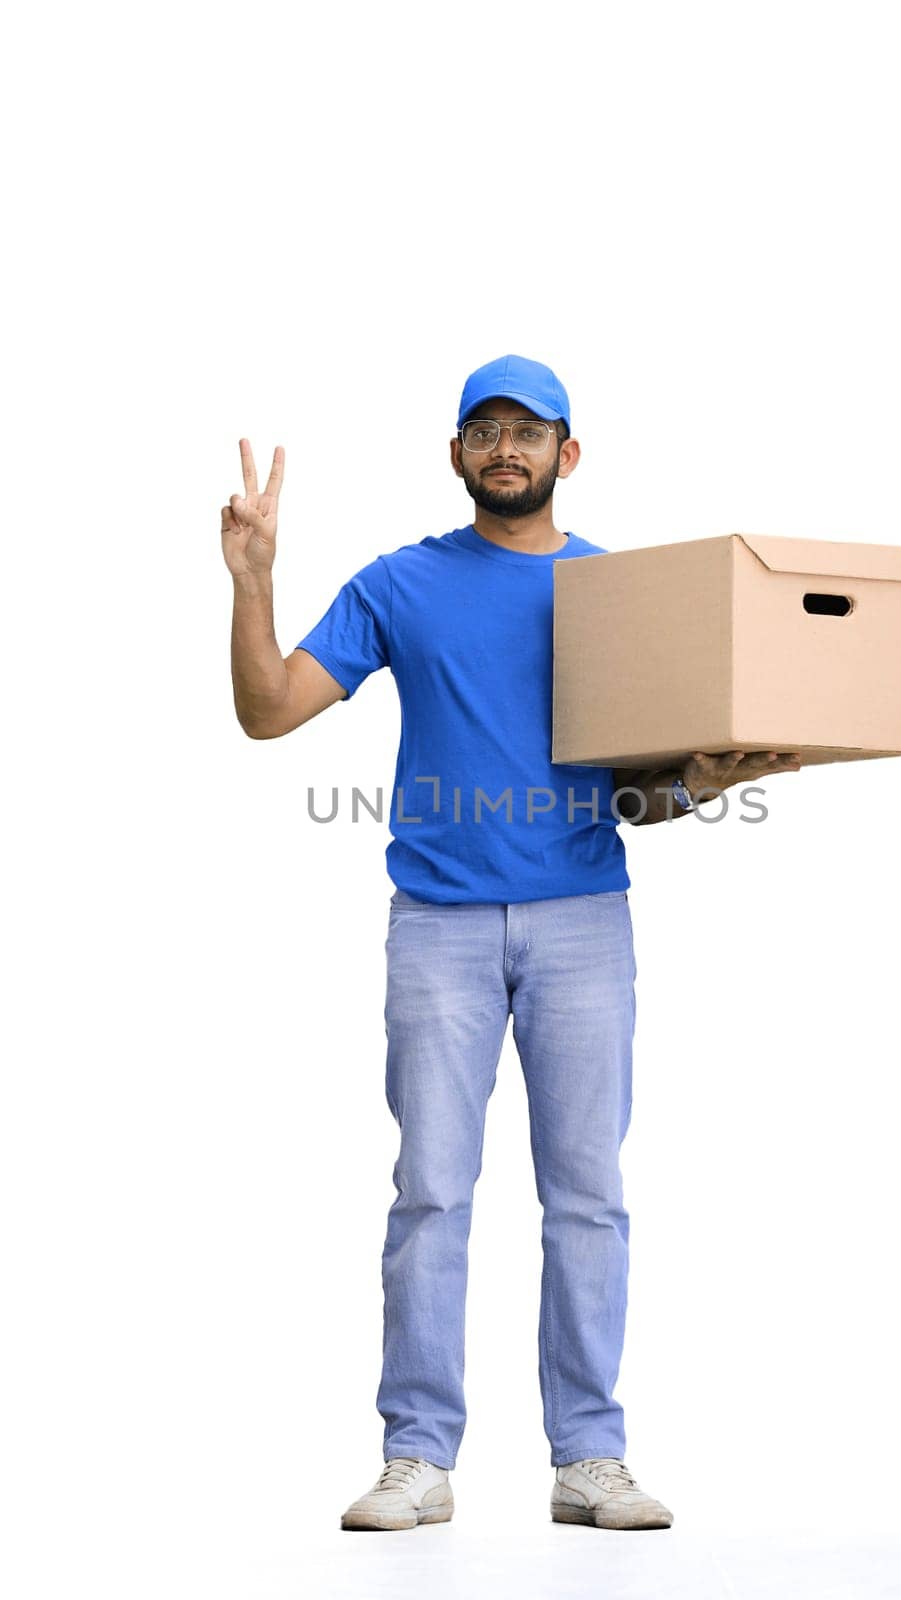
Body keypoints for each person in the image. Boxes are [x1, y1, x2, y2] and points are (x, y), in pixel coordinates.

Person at [223, 353, 799, 1533]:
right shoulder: (401, 583)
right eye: (482, 429)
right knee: (431, 1191)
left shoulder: (623, 595)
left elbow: (636, 796)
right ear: (455, 454)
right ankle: (416, 1457)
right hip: (435, 924)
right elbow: (269, 710)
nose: (504, 447)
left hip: (583, 921)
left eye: (526, 431)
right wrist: (252, 579)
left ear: (565, 454)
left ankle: (589, 1456)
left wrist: (698, 780)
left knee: (586, 1193)